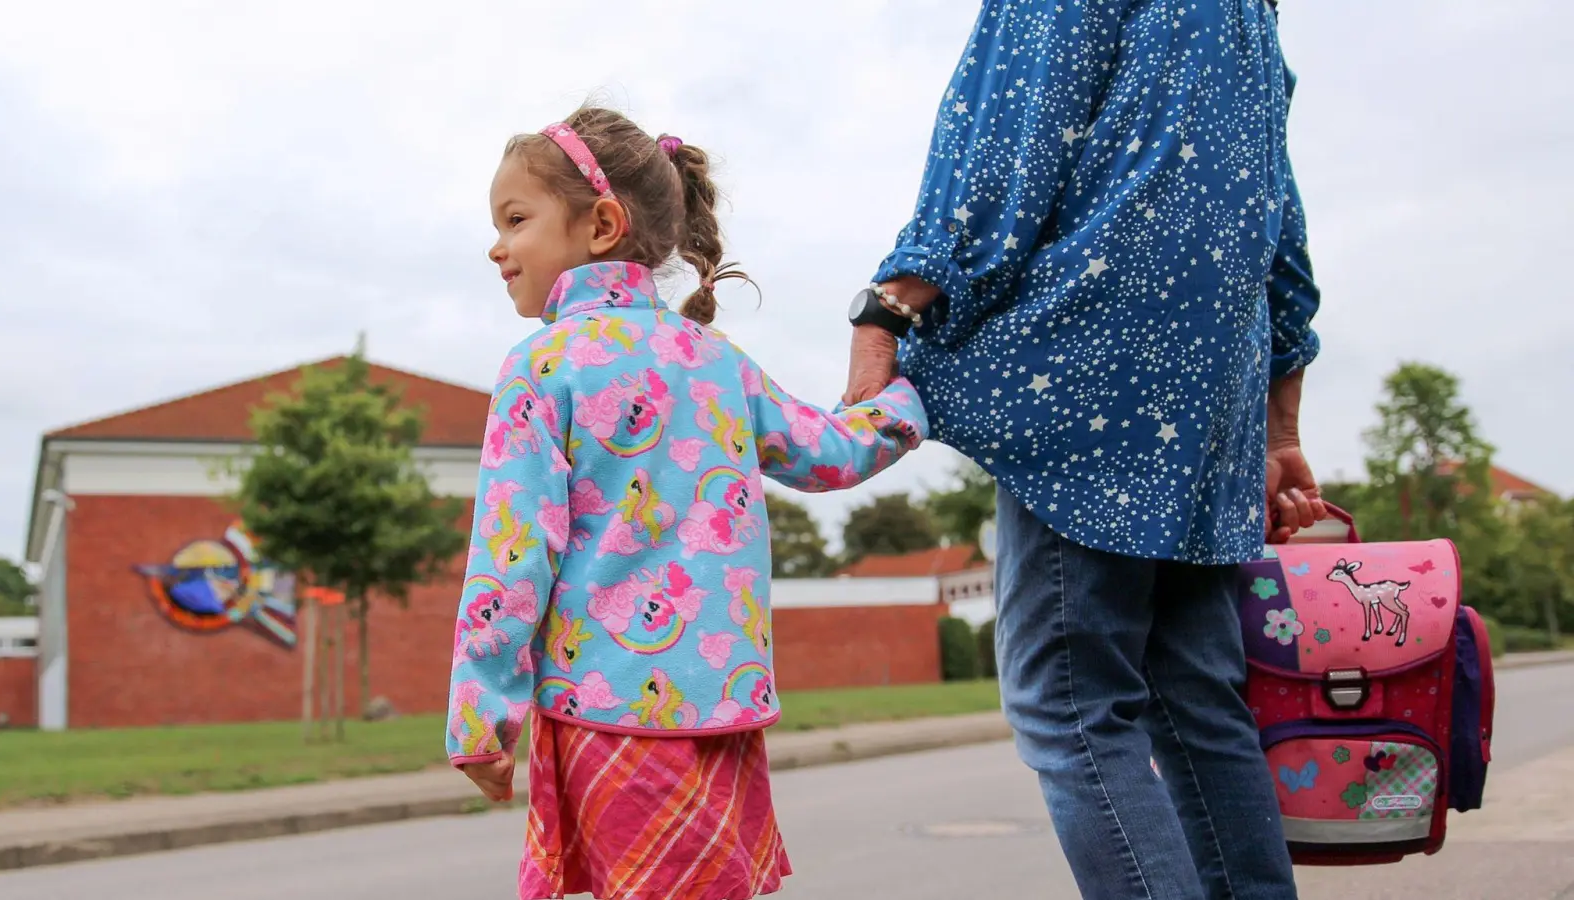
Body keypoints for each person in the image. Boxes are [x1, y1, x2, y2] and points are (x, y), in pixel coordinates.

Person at [843, 2, 1326, 898]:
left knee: (1070, 703)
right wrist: (1278, 417)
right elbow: (1277, 220)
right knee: (1196, 700)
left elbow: (1010, 135)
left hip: (1095, 373)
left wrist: (890, 306)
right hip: (1211, 385)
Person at [445, 106, 928, 900]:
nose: (497, 247)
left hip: (609, 715)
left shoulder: (543, 366)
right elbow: (831, 454)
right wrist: (908, 401)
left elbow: (512, 554)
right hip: (722, 714)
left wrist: (482, 715)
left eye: (516, 219)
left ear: (601, 223)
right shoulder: (717, 362)